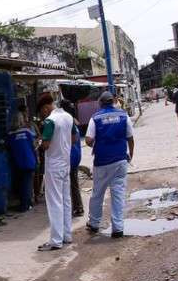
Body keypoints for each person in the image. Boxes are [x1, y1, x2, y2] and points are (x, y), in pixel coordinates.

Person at [84, 91, 135, 238]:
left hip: (102, 162)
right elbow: (130, 138)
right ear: (113, 101)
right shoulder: (124, 115)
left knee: (97, 194)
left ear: (100, 103)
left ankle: (94, 224)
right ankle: (118, 228)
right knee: (118, 194)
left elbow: (88, 140)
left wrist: (96, 142)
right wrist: (130, 155)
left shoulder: (95, 118)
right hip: (120, 160)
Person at [37, 94, 74, 252]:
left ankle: (56, 240)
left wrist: (39, 142)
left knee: (54, 202)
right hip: (66, 163)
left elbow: (45, 145)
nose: (43, 115)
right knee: (65, 200)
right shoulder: (68, 117)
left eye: (42, 112)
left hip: (54, 165)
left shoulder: (50, 121)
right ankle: (66, 235)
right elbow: (72, 138)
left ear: (46, 107)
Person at [7, 111, 38, 212]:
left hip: (18, 162)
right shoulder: (27, 132)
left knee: (21, 183)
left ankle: (23, 203)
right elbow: (34, 145)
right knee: (28, 183)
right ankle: (26, 205)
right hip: (29, 161)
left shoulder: (10, 135)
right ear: (22, 120)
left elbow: (9, 147)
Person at [66, 102, 85, 218]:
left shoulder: (69, 124)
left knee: (71, 184)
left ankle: (77, 207)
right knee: (74, 183)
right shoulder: (74, 123)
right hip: (76, 155)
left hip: (71, 157)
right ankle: (78, 207)